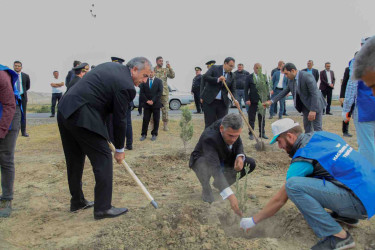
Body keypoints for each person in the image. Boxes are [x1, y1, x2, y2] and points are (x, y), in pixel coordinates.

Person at [240, 118, 375, 250]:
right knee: (324, 173)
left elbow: (280, 199)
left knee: (293, 186)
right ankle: (347, 216)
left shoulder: (304, 156)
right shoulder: (322, 136)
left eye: (279, 141)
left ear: (290, 136)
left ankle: (338, 237)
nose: (280, 146)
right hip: (368, 190)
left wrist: (253, 220)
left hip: (359, 203)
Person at [57, 57, 151, 220]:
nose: (144, 81)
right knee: (103, 159)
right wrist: (120, 150)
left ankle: (77, 201)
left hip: (65, 109)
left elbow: (107, 110)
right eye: (144, 76)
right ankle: (103, 208)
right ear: (134, 69)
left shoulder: (111, 68)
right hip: (82, 113)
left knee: (74, 159)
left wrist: (105, 136)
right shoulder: (127, 86)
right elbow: (120, 120)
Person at [189, 113, 256, 216]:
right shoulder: (209, 138)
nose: (233, 139)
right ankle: (206, 188)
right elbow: (214, 168)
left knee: (250, 163)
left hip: (224, 156)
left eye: (236, 136)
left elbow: (238, 143)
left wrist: (239, 156)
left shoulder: (232, 127)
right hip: (204, 159)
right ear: (221, 128)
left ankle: (221, 185)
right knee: (203, 165)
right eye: (230, 136)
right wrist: (230, 195)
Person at [263, 63, 326, 133]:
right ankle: (308, 143)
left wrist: (313, 110)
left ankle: (319, 143)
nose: (286, 76)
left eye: (286, 74)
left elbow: (315, 94)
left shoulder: (307, 76)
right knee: (307, 129)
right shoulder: (291, 80)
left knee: (317, 129)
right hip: (305, 106)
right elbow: (284, 92)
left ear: (293, 71)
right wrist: (271, 101)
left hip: (315, 104)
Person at [343, 37, 375, 166]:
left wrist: (346, 108)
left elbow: (352, 86)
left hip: (364, 107)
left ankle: (370, 174)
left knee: (366, 143)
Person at [0, 64, 23, 218]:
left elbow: (9, 105)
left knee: (5, 157)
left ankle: (6, 199)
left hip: (10, 115)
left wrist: (1, 132)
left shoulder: (1, 77)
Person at [201, 57, 236, 128]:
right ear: (225, 63)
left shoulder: (232, 76)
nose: (231, 68)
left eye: (233, 66)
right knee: (209, 124)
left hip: (223, 103)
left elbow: (233, 90)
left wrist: (234, 100)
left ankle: (219, 139)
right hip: (210, 101)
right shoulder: (214, 68)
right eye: (230, 66)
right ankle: (208, 138)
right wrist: (218, 79)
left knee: (222, 124)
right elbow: (206, 77)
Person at [107, 57, 133, 150]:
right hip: (121, 102)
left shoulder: (122, 74)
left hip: (124, 102)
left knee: (124, 123)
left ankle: (127, 144)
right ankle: (124, 145)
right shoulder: (124, 73)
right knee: (122, 123)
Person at [245, 63, 269, 139]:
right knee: (251, 118)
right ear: (254, 68)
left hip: (262, 102)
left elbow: (267, 89)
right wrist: (247, 99)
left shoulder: (264, 77)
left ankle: (262, 133)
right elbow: (245, 89)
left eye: (260, 68)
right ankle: (251, 134)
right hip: (252, 101)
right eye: (257, 68)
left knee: (262, 118)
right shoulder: (249, 77)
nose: (258, 69)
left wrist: (268, 100)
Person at [139, 69, 163, 141]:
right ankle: (143, 134)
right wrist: (147, 101)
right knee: (145, 119)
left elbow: (160, 92)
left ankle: (154, 134)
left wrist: (153, 100)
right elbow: (142, 93)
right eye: (149, 72)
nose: (150, 74)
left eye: (152, 72)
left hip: (156, 104)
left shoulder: (159, 81)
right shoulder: (144, 81)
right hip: (147, 104)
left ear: (154, 72)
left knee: (156, 120)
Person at [154, 56, 175, 131]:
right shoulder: (153, 70)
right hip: (155, 93)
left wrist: (170, 68)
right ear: (156, 61)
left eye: (162, 61)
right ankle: (152, 124)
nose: (162, 62)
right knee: (153, 109)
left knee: (165, 109)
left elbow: (172, 76)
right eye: (160, 61)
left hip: (164, 93)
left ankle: (165, 126)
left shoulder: (165, 70)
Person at [13, 61, 30, 137]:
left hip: (22, 97)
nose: (17, 67)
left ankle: (23, 132)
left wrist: (21, 92)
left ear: (21, 67)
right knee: (13, 114)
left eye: (18, 66)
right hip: (13, 97)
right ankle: (14, 132)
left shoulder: (25, 76)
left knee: (23, 115)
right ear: (13, 66)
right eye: (15, 66)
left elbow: (27, 86)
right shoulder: (11, 75)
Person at [340, 66, 353, 137]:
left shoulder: (365, 68)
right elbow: (344, 83)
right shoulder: (348, 69)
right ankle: (345, 131)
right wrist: (342, 96)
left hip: (360, 97)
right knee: (347, 114)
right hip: (349, 96)